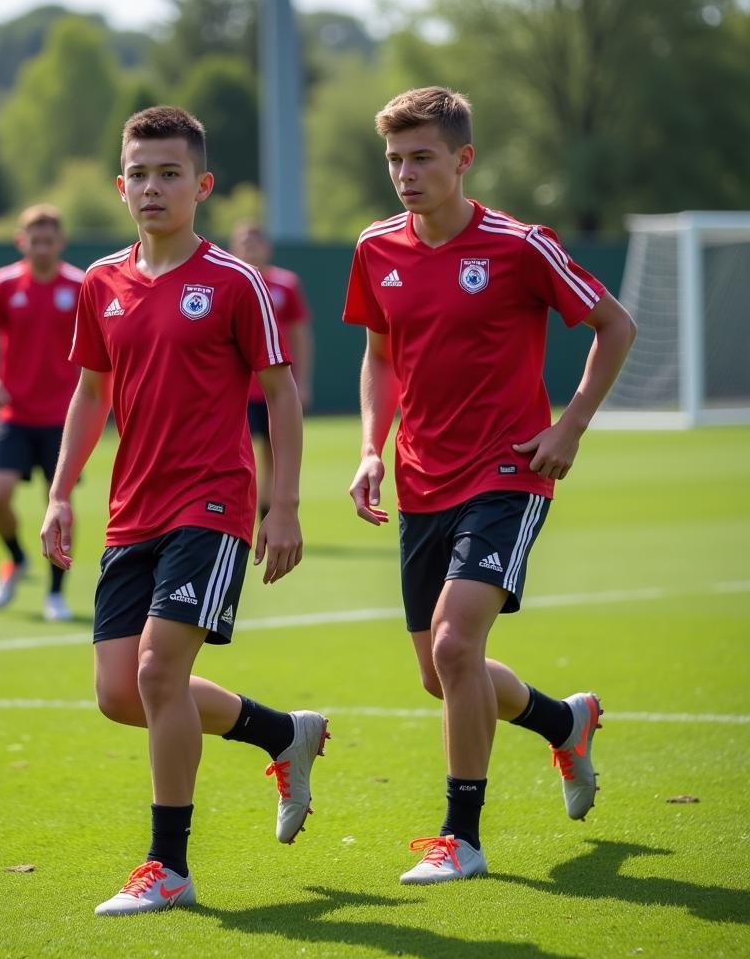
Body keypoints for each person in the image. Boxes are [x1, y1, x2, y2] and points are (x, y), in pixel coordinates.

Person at [40, 106, 328, 917]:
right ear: (119, 185)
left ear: (201, 185)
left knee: (160, 672)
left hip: (213, 500)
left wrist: (284, 505)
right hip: (133, 510)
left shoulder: (235, 281)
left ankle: (168, 866)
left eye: (170, 173)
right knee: (119, 694)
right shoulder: (100, 282)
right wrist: (63, 491)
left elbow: (281, 392)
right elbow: (92, 393)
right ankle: (281, 734)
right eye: (139, 173)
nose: (152, 187)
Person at [343, 87, 636, 884]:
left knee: (455, 643)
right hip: (419, 478)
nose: (405, 173)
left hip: (509, 472)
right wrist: (373, 448)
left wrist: (569, 424)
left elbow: (616, 326)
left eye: (422, 158)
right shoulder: (376, 249)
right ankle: (562, 721)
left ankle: (460, 837)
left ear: (462, 160)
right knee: (442, 674)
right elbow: (379, 354)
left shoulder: (519, 245)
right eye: (396, 159)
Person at [0, 205, 85, 621]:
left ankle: (56, 592)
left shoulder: (80, 284)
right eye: (34, 240)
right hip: (14, 415)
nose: (41, 248)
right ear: (22, 241)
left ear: (61, 243)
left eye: (49, 240)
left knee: (59, 506)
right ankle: (16, 559)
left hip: (63, 418)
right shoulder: (3, 283)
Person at [230, 221, 314, 521]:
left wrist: (302, 382)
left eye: (255, 240)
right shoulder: (228, 283)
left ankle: (270, 512)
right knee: (237, 454)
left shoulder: (284, 284)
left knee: (273, 451)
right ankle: (237, 511)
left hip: (273, 387)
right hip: (236, 389)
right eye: (243, 241)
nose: (250, 247)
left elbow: (300, 335)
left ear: (267, 247)